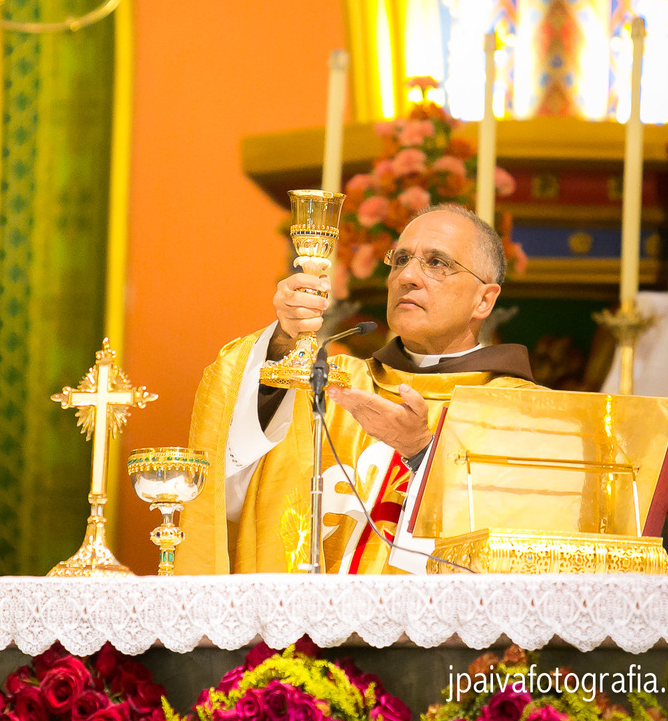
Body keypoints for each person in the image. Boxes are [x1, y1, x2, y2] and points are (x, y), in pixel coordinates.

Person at [176, 204, 537, 575]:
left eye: (436, 263)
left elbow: (523, 546)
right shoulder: (331, 382)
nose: (407, 276)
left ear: (484, 300)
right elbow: (232, 473)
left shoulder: (520, 413)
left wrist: (421, 452)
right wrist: (284, 341)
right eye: (400, 260)